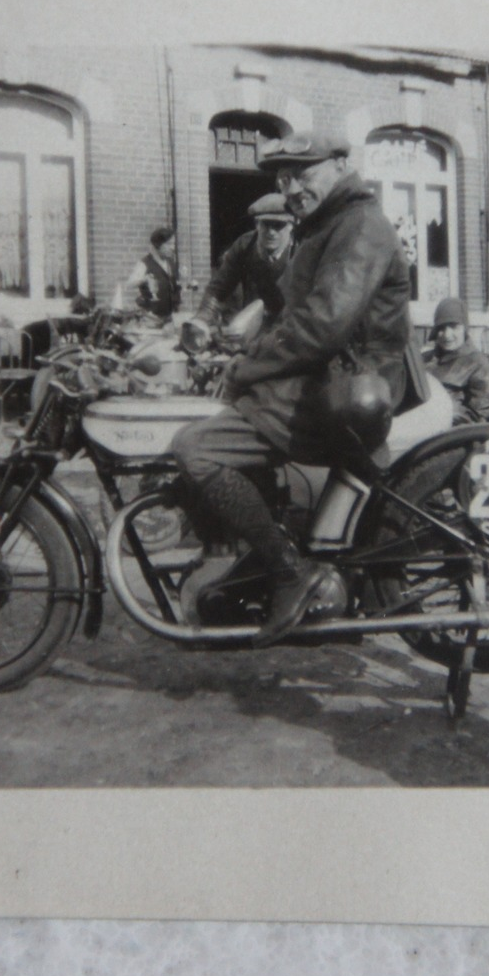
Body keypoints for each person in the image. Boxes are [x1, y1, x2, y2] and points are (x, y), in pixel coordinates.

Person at [172, 130, 423, 647]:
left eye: (302, 175)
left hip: (351, 384)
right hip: (326, 376)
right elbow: (290, 318)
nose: (292, 189)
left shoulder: (361, 227)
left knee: (194, 448)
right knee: (227, 415)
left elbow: (322, 326)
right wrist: (241, 354)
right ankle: (258, 556)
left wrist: (248, 368)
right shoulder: (326, 225)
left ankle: (290, 574)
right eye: (284, 180)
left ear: (339, 164)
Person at [192, 193, 295, 329]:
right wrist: (201, 320)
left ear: (291, 225)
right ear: (257, 224)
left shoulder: (301, 249)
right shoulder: (244, 245)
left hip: (289, 327)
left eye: (278, 226)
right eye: (266, 225)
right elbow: (218, 290)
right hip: (253, 325)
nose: (271, 232)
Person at [422, 297, 489, 425]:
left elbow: (483, 412)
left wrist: (449, 413)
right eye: (441, 328)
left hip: (450, 431)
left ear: (464, 328)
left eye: (454, 327)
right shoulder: (425, 359)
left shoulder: (478, 363)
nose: (447, 334)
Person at [122, 227, 179, 321]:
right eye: (169, 244)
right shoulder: (145, 263)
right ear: (158, 245)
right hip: (151, 318)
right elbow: (129, 284)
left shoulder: (170, 263)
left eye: (174, 244)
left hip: (169, 317)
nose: (173, 248)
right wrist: (143, 280)